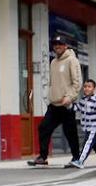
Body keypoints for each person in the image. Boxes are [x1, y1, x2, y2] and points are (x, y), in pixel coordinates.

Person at [27, 36, 83, 166]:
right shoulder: (53, 62)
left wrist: (69, 97)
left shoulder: (72, 60)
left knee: (70, 132)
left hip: (66, 104)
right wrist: (49, 97)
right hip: (54, 105)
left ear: (66, 46)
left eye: (60, 44)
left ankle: (76, 158)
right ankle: (43, 157)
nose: (57, 46)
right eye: (55, 44)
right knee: (43, 128)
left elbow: (77, 83)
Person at [69, 79, 96, 169]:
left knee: (87, 144)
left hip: (94, 128)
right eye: (85, 87)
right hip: (87, 127)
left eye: (89, 87)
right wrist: (68, 105)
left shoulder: (95, 102)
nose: (86, 89)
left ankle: (80, 161)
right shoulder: (83, 100)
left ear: (94, 89)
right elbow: (77, 108)